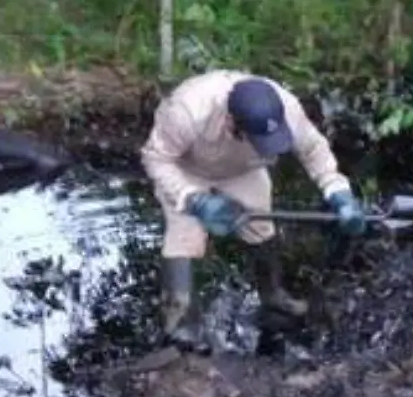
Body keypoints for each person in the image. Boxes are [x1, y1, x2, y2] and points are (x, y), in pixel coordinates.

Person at [141, 70, 368, 348]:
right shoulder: (187, 111)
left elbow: (313, 150)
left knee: (261, 227)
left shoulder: (287, 108)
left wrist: (338, 192)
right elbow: (157, 160)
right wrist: (194, 199)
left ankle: (273, 298)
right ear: (230, 122)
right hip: (185, 171)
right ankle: (180, 323)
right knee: (185, 238)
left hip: (242, 170)